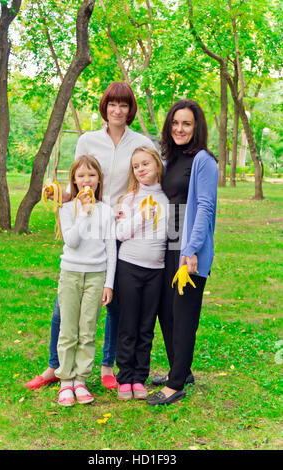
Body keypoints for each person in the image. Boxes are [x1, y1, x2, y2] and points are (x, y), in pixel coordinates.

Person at [24, 82, 156, 391]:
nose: (117, 110)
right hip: (87, 222)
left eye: (124, 105)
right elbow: (77, 178)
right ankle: (55, 367)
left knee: (113, 300)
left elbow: (145, 177)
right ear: (105, 107)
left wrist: (133, 207)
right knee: (64, 304)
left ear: (130, 109)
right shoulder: (87, 139)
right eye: (112, 104)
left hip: (120, 226)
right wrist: (60, 195)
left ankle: (107, 366)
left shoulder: (140, 141)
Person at [147, 99, 218, 406]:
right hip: (168, 245)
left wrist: (191, 250)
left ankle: (176, 385)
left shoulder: (204, 161)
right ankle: (182, 369)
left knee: (184, 314)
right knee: (167, 310)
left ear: (196, 127)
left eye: (186, 123)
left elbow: (205, 207)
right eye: (175, 123)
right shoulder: (172, 157)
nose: (179, 128)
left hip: (189, 250)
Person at [55, 155, 116, 406]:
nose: (86, 180)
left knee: (88, 330)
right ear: (74, 180)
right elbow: (72, 241)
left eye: (91, 175)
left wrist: (108, 283)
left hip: (96, 276)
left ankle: (81, 380)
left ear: (99, 179)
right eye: (80, 176)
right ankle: (65, 381)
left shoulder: (107, 211)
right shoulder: (67, 209)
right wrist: (83, 212)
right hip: (70, 274)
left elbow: (111, 249)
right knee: (68, 330)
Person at [115, 147, 168, 400]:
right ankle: (124, 377)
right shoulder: (130, 199)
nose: (141, 169)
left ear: (157, 164)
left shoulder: (167, 198)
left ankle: (139, 378)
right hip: (129, 266)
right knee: (128, 324)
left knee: (146, 326)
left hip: (156, 271)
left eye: (145, 163)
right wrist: (139, 217)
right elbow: (120, 234)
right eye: (136, 166)